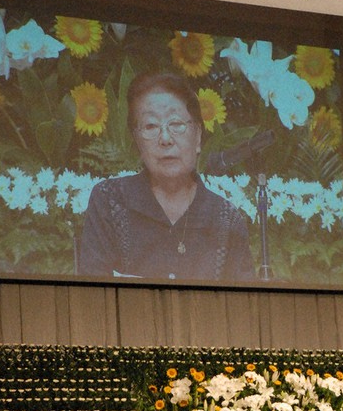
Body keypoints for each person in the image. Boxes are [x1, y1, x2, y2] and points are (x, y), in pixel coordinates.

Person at [78, 72, 255, 283]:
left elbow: (243, 309)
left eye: (176, 124)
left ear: (198, 136)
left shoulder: (226, 219)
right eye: (151, 126)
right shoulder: (109, 201)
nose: (165, 139)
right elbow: (91, 297)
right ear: (136, 141)